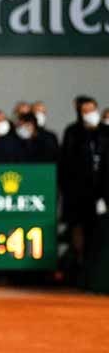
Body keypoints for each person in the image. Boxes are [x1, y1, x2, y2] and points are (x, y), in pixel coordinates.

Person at [59, 96, 108, 283]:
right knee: (79, 232)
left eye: (92, 110)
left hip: (102, 192)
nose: (90, 114)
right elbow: (67, 163)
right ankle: (80, 270)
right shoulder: (73, 132)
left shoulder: (105, 132)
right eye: (85, 111)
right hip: (79, 194)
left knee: (99, 233)